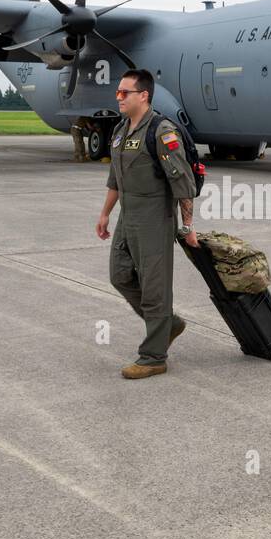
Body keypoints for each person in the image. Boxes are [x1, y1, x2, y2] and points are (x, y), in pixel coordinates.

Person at [95, 70, 198, 379]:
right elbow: (116, 176)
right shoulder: (120, 130)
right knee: (119, 275)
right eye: (118, 93)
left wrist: (188, 226)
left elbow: (182, 182)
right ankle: (167, 324)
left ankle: (154, 356)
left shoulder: (162, 132)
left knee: (155, 289)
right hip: (128, 215)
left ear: (144, 96)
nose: (119, 97)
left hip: (155, 217)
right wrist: (105, 214)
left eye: (125, 92)